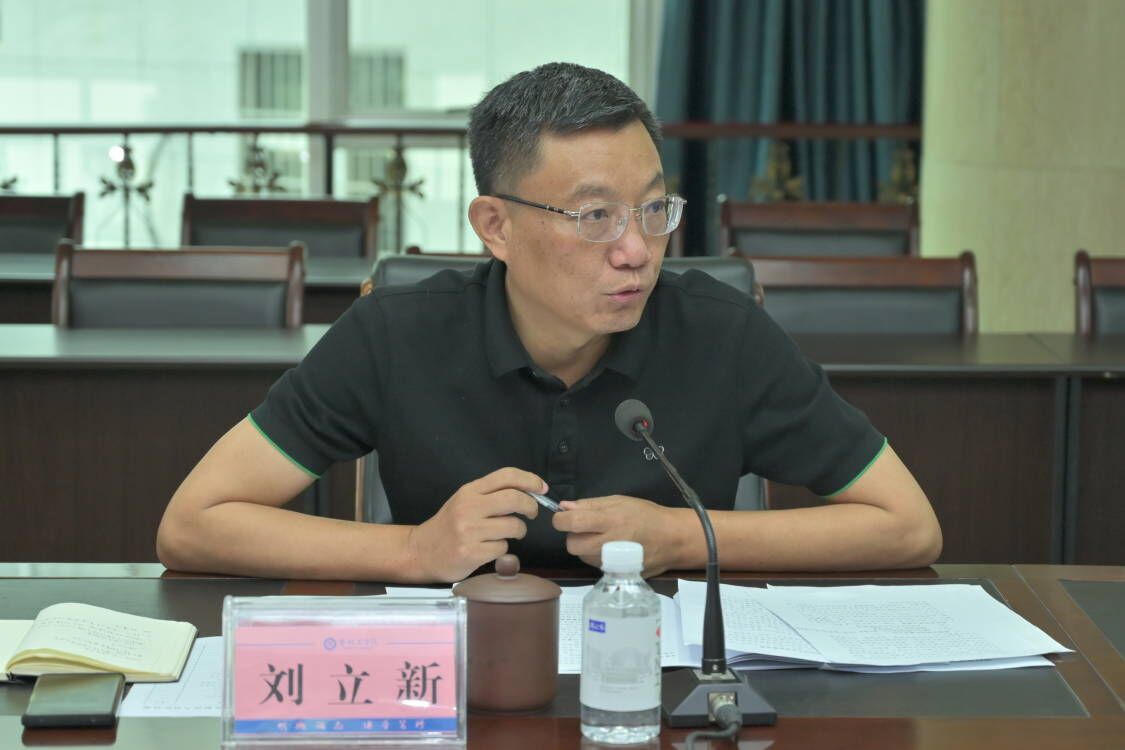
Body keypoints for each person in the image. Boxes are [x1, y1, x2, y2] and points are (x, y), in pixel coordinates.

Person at [157, 62, 941, 583]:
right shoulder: (397, 332)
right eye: (595, 217)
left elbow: (907, 525)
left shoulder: (722, 333)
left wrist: (680, 536)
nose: (636, 250)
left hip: (665, 679)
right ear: (494, 226)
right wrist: (413, 549)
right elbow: (193, 525)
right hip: (459, 682)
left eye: (653, 210)